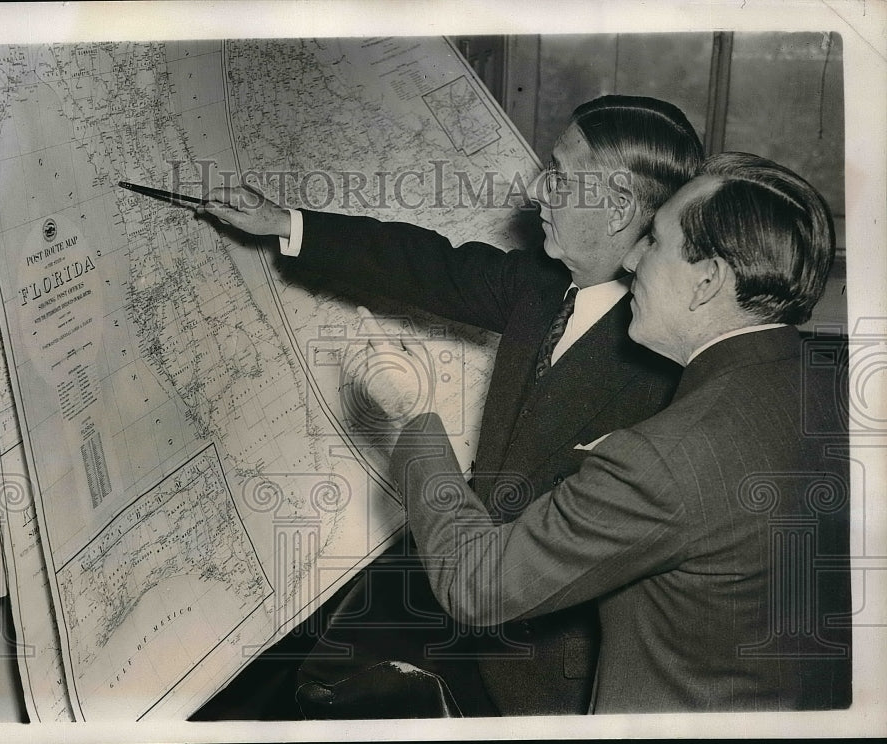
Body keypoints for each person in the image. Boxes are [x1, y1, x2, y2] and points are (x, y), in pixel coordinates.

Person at [194, 95, 703, 717]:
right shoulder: (542, 286)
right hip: (463, 581)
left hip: (537, 667)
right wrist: (287, 225)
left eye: (562, 177)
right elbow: (426, 264)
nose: (538, 189)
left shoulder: (662, 362)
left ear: (619, 207)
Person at [350, 152, 852, 712]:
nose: (633, 259)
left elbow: (477, 583)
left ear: (706, 280)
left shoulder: (659, 461)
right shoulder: (828, 387)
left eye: (655, 242)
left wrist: (413, 417)